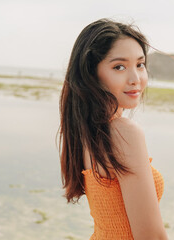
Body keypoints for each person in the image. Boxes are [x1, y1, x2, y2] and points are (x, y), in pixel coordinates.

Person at [58, 18, 168, 240]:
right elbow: (151, 236)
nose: (135, 79)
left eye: (140, 64)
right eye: (119, 67)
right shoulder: (122, 132)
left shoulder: (86, 130)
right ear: (91, 73)